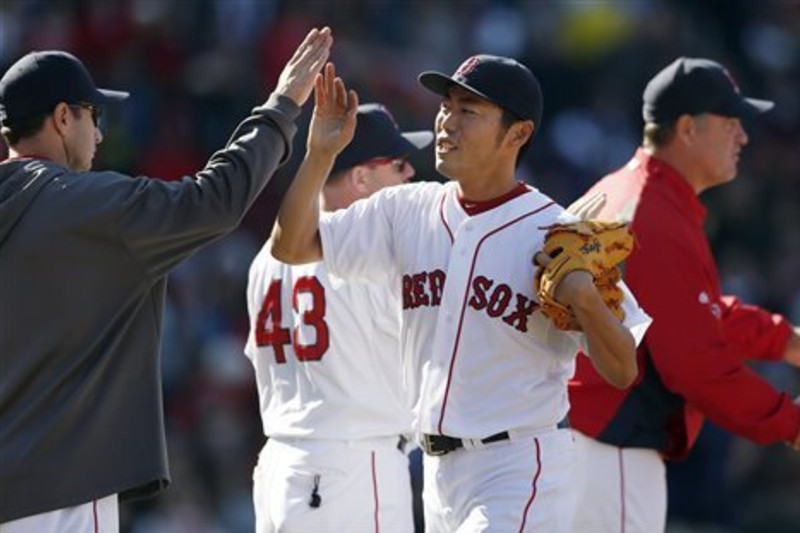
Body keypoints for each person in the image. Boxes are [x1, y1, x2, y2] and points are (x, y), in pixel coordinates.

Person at [271, 58, 651, 531]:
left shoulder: (555, 234)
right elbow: (290, 246)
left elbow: (623, 370)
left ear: (518, 134)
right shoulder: (404, 209)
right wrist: (319, 156)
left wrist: (586, 298)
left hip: (519, 466)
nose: (447, 120)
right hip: (435, 473)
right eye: (446, 106)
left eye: (469, 110)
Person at [0, 27, 333, 532]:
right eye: (95, 115)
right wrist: (282, 106)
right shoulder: (85, 206)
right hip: (55, 493)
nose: (101, 134)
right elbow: (214, 200)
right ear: (63, 117)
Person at [567, 57, 800, 533]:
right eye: (731, 123)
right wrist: (791, 423)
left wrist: (785, 341)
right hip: (608, 448)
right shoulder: (652, 213)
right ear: (688, 128)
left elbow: (690, 316)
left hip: (584, 440)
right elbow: (696, 365)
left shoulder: (630, 191)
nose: (744, 137)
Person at [244, 102, 432, 532]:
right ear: (361, 177)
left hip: (281, 467)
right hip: (350, 467)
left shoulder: (265, 258)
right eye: (398, 164)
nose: (410, 175)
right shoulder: (369, 253)